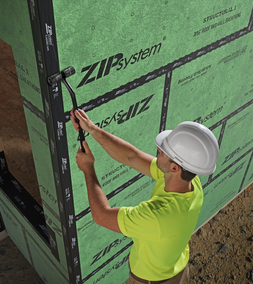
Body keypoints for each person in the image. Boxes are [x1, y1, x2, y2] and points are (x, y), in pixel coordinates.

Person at [70, 108, 219, 284]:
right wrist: (93, 129)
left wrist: (88, 169)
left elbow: (102, 215)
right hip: (178, 270)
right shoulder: (191, 183)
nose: (158, 150)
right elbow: (131, 157)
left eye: (163, 152)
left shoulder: (158, 216)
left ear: (174, 168)